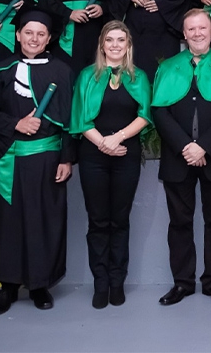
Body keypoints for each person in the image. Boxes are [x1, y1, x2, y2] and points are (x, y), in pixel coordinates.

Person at [152, 9, 211, 306]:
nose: (197, 33)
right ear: (184, 34)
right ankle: (182, 283)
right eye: (191, 29)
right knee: (179, 223)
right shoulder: (168, 67)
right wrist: (186, 146)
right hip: (177, 158)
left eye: (202, 28)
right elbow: (159, 111)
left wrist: (203, 147)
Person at [0, 9, 75, 315]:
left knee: (43, 221)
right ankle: (7, 286)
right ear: (18, 34)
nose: (34, 39)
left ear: (49, 38)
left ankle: (39, 285)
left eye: (41, 34)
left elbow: (70, 120)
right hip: (10, 158)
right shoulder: (1, 69)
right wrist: (15, 124)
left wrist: (67, 159)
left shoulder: (62, 71)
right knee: (7, 223)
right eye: (28, 32)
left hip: (48, 158)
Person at [71, 20, 151, 309]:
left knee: (120, 220)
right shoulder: (86, 76)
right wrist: (102, 143)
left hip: (125, 154)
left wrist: (116, 138)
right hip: (93, 156)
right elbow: (80, 117)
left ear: (128, 46)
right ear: (101, 45)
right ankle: (100, 282)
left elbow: (145, 114)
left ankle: (117, 281)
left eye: (121, 40)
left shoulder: (138, 77)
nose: (115, 45)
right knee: (98, 221)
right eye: (110, 40)